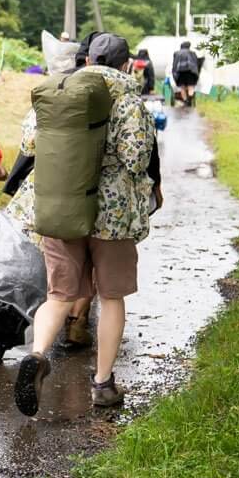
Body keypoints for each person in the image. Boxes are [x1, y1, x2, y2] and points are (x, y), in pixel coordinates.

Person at [13, 33, 155, 416]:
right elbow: (137, 157)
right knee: (111, 297)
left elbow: (29, 144)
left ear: (88, 59)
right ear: (126, 65)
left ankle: (38, 355)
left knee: (59, 296)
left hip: (63, 205)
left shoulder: (61, 90)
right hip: (113, 215)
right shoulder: (128, 98)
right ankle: (102, 384)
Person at [171, 40, 202, 106]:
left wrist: (174, 73)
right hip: (191, 72)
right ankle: (190, 99)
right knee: (190, 86)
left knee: (182, 87)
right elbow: (196, 63)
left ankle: (185, 101)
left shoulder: (176, 53)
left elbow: (174, 64)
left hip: (180, 72)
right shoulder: (192, 53)